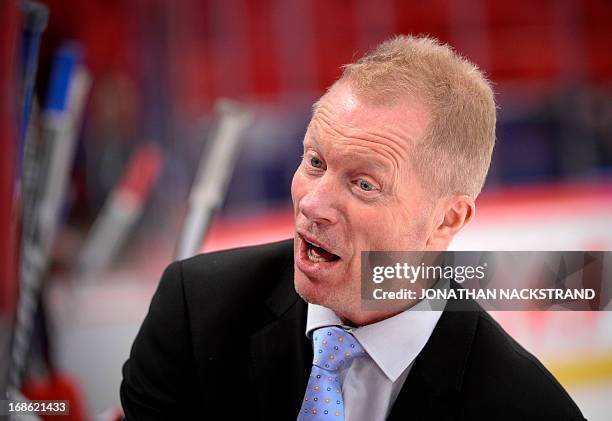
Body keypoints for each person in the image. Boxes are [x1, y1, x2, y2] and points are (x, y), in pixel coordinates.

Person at [120, 35, 586, 420]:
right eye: (315, 161)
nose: (314, 203)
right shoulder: (194, 311)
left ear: (448, 220)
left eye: (364, 184)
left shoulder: (528, 409)